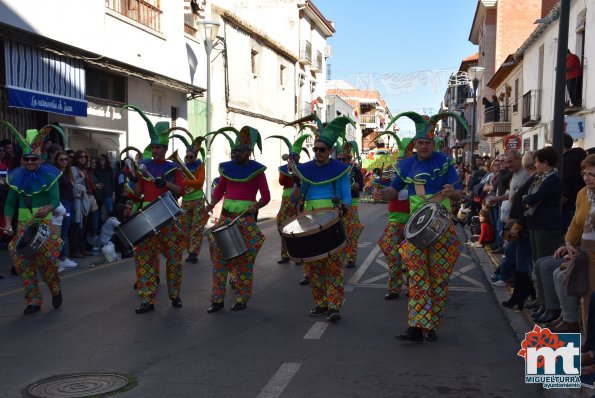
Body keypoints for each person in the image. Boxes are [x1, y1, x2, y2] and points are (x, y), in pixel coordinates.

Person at [373, 111, 467, 342]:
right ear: (414, 143)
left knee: (438, 278)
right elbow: (393, 191)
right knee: (416, 277)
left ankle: (431, 324)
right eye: (420, 142)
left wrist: (451, 192)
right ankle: (416, 326)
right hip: (415, 228)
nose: (423, 146)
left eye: (427, 142)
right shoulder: (406, 165)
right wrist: (380, 193)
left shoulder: (445, 163)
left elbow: (459, 194)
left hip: (441, 227)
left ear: (433, 143)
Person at [124, 105, 187, 314]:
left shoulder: (173, 167)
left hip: (168, 217)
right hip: (146, 217)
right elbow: (137, 192)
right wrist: (132, 182)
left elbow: (182, 190)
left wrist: (165, 184)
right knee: (144, 260)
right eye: (153, 146)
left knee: (174, 260)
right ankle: (147, 300)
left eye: (159, 147)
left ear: (165, 149)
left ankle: (175, 295)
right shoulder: (144, 166)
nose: (155, 149)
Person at [291, 116, 354, 322]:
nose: (318, 152)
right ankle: (321, 303)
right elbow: (296, 198)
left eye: (322, 149)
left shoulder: (341, 170)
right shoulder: (306, 170)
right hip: (309, 221)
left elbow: (346, 197)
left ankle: (334, 306)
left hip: (331, 221)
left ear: (330, 151)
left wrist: (342, 209)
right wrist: (297, 183)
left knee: (333, 267)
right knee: (314, 267)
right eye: (316, 149)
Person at [205, 125, 270, 313]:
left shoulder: (257, 171)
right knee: (219, 260)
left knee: (244, 261)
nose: (236, 153)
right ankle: (217, 300)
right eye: (235, 150)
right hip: (226, 218)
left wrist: (256, 206)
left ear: (249, 152)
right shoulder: (227, 168)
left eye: (240, 150)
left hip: (246, 221)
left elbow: (266, 196)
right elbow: (219, 190)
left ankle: (241, 298)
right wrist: (211, 204)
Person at [2, 122, 64, 315]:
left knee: (48, 264)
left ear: (40, 159)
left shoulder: (49, 176)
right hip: (22, 224)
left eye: (33, 159)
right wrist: (6, 224)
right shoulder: (17, 177)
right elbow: (10, 203)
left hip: (43, 223)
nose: (29, 163)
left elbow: (55, 200)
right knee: (22, 263)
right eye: (26, 159)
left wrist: (48, 208)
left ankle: (55, 289)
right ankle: (33, 300)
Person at [375, 132, 414, 300]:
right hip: (394, 220)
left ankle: (412, 287)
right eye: (398, 161)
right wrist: (378, 191)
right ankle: (394, 287)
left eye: (402, 161)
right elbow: (383, 189)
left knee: (412, 256)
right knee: (391, 252)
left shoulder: (416, 176)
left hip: (413, 221)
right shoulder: (393, 175)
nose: (400, 164)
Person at [266, 134, 309, 264]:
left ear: (299, 157)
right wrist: (289, 169)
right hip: (285, 200)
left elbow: (303, 182)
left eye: (294, 156)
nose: (292, 158)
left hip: (298, 200)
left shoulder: (303, 168)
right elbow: (281, 182)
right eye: (291, 156)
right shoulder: (284, 168)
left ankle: (299, 255)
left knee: (299, 227)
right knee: (282, 225)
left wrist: (295, 171)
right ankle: (285, 254)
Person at [175, 133, 209, 264]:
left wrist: (185, 181)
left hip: (197, 200)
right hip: (186, 200)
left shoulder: (200, 166)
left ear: (196, 156)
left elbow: (199, 182)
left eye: (191, 156)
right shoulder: (182, 167)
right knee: (185, 227)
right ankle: (189, 250)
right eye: (187, 156)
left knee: (197, 227)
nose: (188, 158)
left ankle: (193, 252)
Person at [337, 139, 364, 268]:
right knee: (338, 232)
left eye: (344, 159)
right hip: (337, 204)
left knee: (352, 231)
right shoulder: (335, 170)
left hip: (351, 204)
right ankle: (339, 256)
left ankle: (351, 257)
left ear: (349, 159)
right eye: (339, 159)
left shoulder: (356, 170)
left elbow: (360, 186)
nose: (341, 162)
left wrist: (351, 184)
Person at [561, 133, 586, 234]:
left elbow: (569, 183)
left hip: (569, 206)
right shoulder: (576, 157)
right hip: (574, 203)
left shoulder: (569, 159)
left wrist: (561, 201)